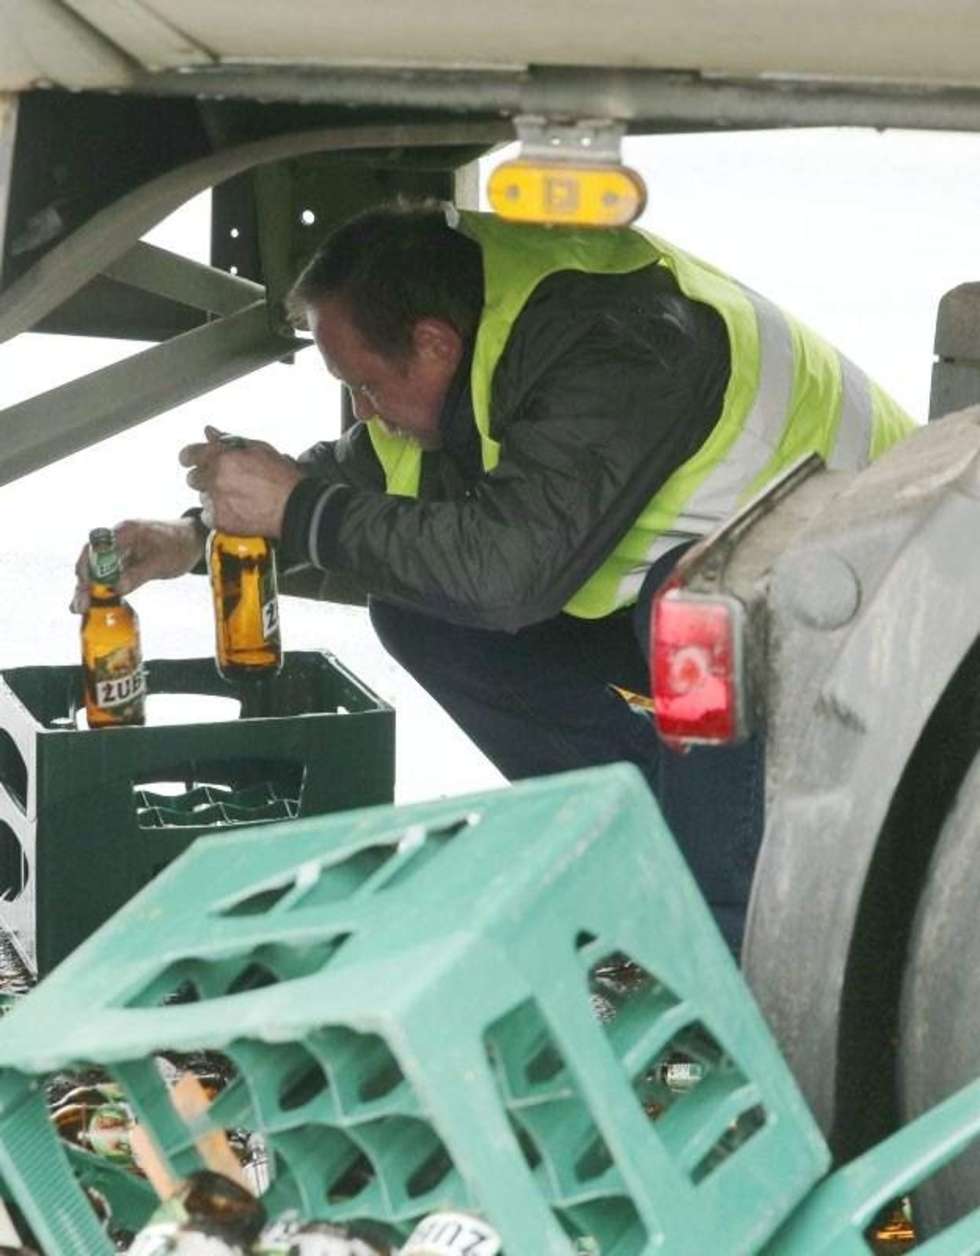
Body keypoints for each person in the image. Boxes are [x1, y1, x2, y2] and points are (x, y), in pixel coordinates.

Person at [71, 201, 915, 956]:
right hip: (722, 594)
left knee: (687, 625)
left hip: (873, 616)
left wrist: (296, 509)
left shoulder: (613, 342)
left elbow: (506, 575)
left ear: (434, 343)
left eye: (365, 383)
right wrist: (193, 538)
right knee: (424, 612)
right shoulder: (473, 344)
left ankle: (732, 940)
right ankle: (641, 848)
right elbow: (372, 494)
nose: (361, 409)